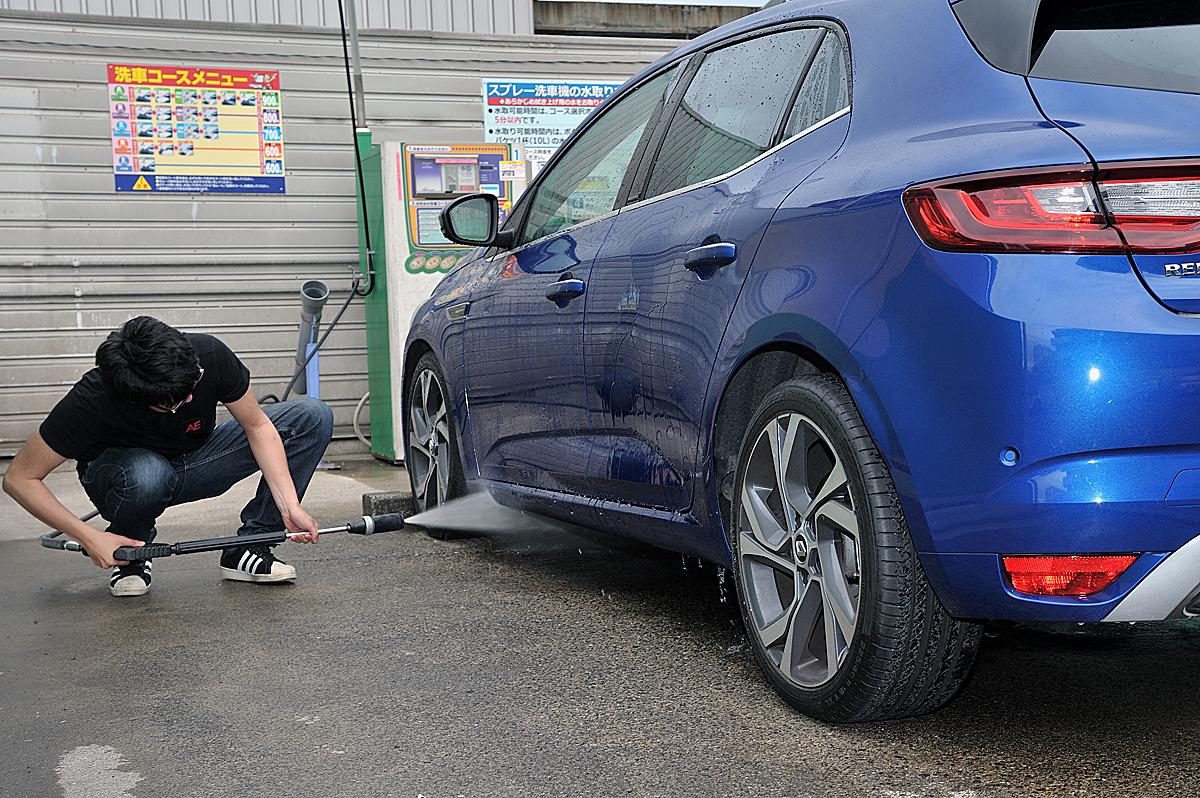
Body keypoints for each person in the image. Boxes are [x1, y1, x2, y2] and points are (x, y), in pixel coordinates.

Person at [2, 317, 334, 597]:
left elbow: (258, 426)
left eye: (193, 386)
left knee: (310, 415)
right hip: (125, 481)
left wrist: (289, 506)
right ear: (132, 397)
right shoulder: (92, 399)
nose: (190, 398)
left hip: (196, 461)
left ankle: (250, 545)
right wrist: (89, 537)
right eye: (174, 402)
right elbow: (20, 479)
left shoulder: (208, 355)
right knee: (148, 472)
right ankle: (132, 553)